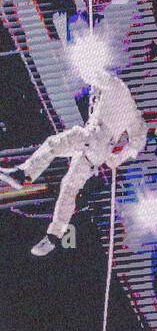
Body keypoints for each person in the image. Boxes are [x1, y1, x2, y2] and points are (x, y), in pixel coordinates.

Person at [0, 38, 147, 257]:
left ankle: (24, 173)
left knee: (54, 144)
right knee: (69, 185)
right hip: (98, 151)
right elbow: (138, 141)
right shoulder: (133, 114)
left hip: (94, 137)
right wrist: (118, 159)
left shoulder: (114, 84)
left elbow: (94, 75)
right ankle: (53, 236)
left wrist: (82, 60)